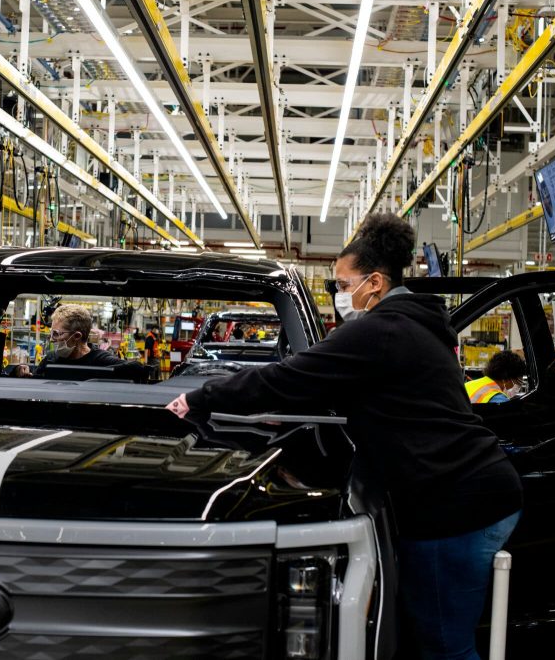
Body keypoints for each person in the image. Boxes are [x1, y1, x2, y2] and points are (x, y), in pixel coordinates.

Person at [166, 213, 522, 660]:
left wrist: (201, 398)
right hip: (468, 487)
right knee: (432, 634)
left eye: (341, 283)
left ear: (373, 282)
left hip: (455, 503)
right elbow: (353, 389)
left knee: (443, 645)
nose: (338, 295)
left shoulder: (381, 329)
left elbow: (291, 375)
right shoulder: (412, 323)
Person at [17, 304, 125, 377]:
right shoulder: (51, 359)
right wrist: (20, 371)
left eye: (56, 334)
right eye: (51, 333)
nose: (51, 339)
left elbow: (137, 369)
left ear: (77, 336)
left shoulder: (101, 360)